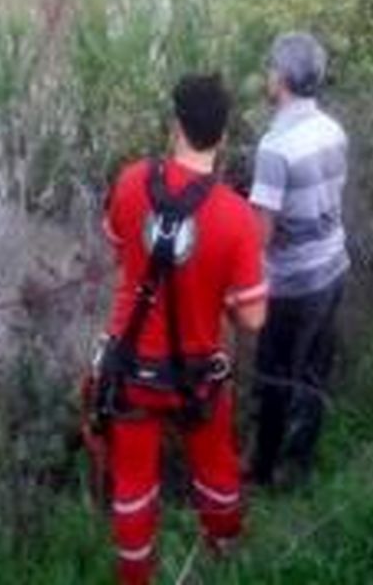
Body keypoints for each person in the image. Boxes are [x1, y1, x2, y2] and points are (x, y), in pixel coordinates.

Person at [87, 73, 267, 585]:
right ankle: (224, 552)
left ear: (174, 127)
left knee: (133, 483)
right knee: (216, 469)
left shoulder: (130, 181)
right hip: (196, 375)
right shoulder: (236, 218)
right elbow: (253, 317)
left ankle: (135, 574)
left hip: (131, 371)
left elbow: (123, 250)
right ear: (224, 136)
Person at [246, 33, 350, 488]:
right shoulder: (332, 129)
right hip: (333, 268)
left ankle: (263, 469)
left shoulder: (275, 147)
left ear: (283, 78)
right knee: (312, 372)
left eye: (272, 68)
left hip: (292, 282)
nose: (268, 75)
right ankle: (299, 464)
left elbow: (261, 235)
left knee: (272, 377)